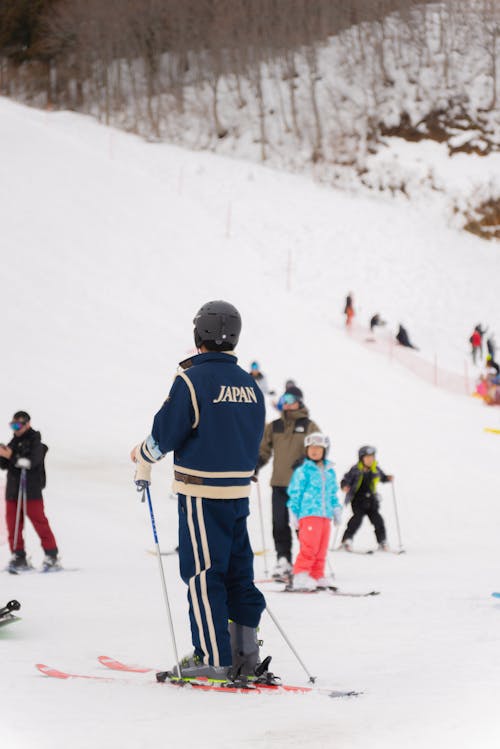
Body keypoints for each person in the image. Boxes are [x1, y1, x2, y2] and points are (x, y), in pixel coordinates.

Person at [130, 300, 272, 683]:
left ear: (199, 335)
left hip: (201, 492)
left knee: (203, 574)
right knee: (238, 573)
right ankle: (245, 654)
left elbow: (166, 432)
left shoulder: (191, 380)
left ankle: (212, 657)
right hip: (237, 493)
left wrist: (143, 454)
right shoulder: (249, 384)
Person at [257, 385, 320, 578]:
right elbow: (264, 450)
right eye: (284, 399)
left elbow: (320, 448)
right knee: (279, 523)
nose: (286, 403)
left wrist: (308, 460)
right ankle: (283, 559)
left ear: (299, 401)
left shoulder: (309, 426)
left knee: (304, 526)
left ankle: (307, 562)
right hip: (279, 484)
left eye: (291, 399)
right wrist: (256, 464)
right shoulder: (274, 426)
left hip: (302, 486)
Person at [0, 411, 59, 573]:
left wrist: (11, 455)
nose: (16, 429)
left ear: (27, 424)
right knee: (13, 524)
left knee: (39, 522)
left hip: (30, 490)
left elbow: (30, 462)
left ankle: (51, 555)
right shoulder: (14, 441)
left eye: (18, 425)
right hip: (13, 490)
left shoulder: (35, 442)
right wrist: (3, 455)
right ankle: (18, 556)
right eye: (13, 425)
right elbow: (6, 465)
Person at [286, 433, 342, 591]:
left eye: (319, 448)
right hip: (309, 514)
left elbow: (332, 493)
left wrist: (336, 509)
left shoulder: (329, 471)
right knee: (309, 546)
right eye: (311, 448)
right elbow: (295, 492)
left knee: (321, 548)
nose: (315, 451)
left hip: (325, 516)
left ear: (325, 450)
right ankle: (301, 575)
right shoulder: (303, 470)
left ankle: (316, 574)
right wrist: (293, 512)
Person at [341, 446, 393, 551]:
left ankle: (382, 541)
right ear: (361, 458)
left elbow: (382, 477)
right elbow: (346, 479)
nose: (370, 460)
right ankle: (347, 540)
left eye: (372, 457)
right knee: (356, 519)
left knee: (378, 520)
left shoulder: (375, 469)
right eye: (367, 457)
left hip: (372, 501)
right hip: (358, 500)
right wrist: (345, 486)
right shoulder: (355, 469)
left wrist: (387, 478)